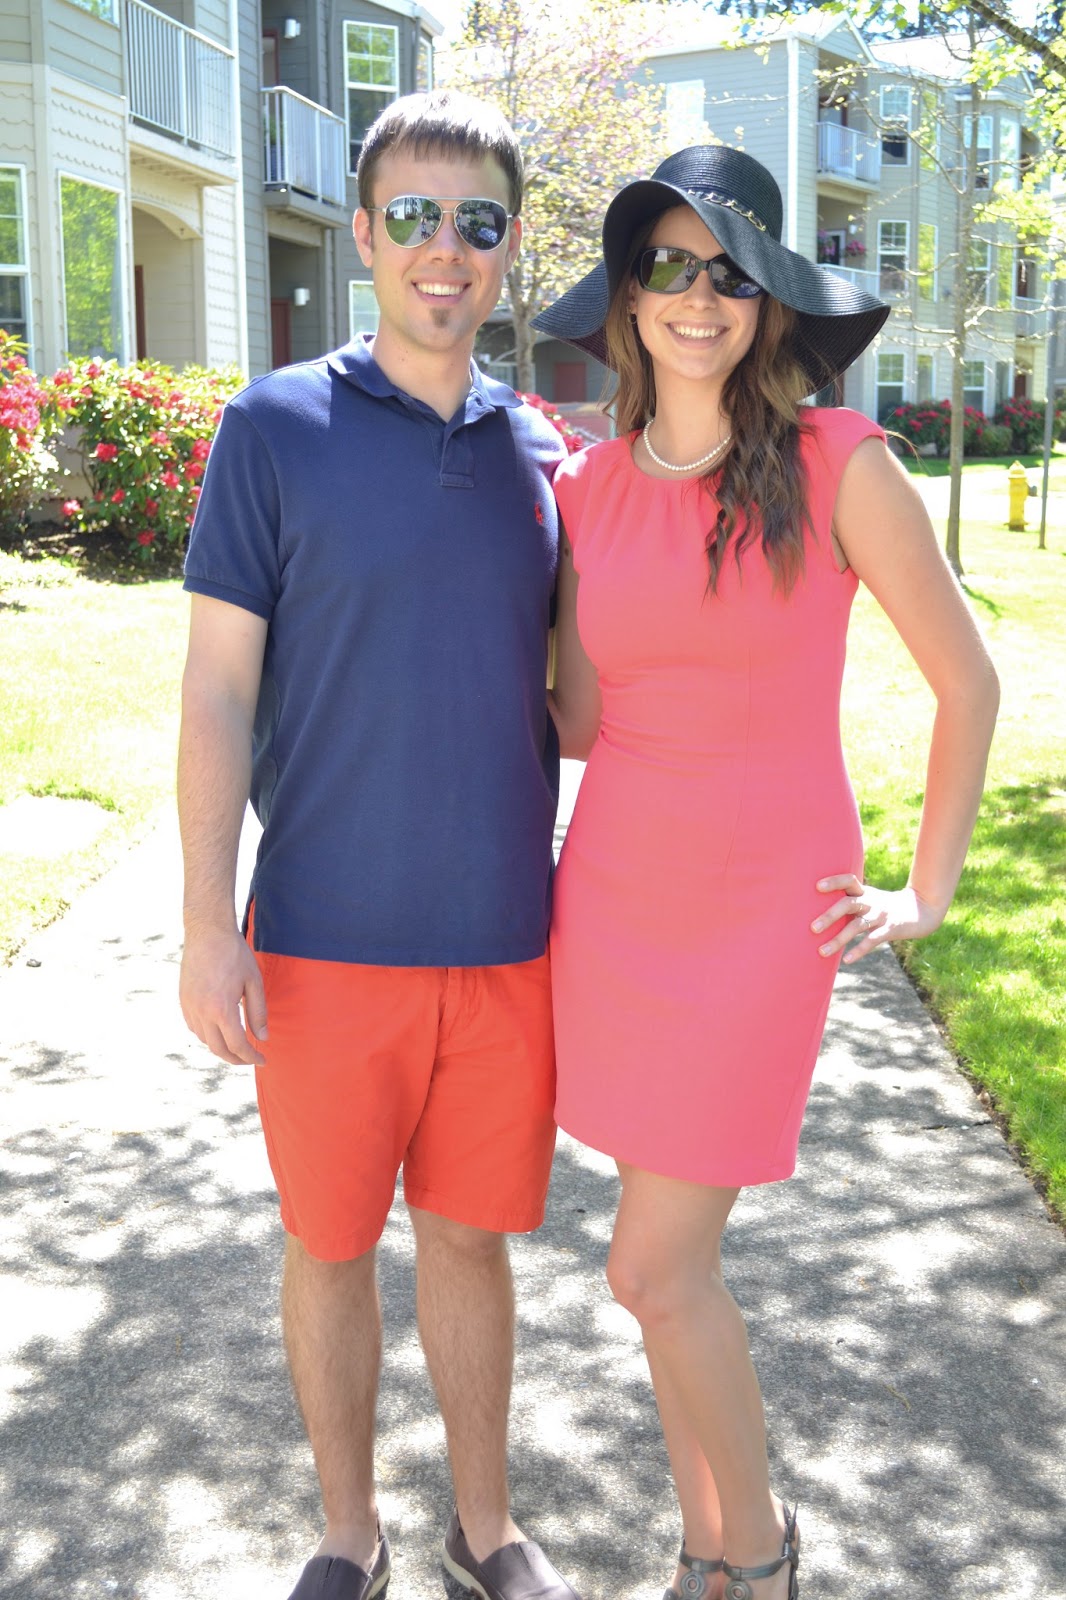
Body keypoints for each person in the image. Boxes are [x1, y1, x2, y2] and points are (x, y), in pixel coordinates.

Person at [534, 145, 999, 1600]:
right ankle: (709, 1552)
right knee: (667, 1280)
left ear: (770, 301)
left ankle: (763, 1550)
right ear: (626, 298)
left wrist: (926, 892)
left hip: (758, 914)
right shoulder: (587, 487)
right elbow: (578, 722)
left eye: (728, 271)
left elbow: (969, 682)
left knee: (649, 1270)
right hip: (612, 899)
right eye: (668, 265)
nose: (698, 295)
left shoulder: (839, 463)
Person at [178, 90, 583, 1600]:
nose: (443, 249)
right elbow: (217, 692)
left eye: (476, 222)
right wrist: (204, 923)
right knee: (331, 1246)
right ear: (361, 235)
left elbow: (588, 699)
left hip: (504, 942)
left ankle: (486, 1528)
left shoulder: (544, 452)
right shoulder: (272, 428)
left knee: (471, 1246)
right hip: (322, 941)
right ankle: (349, 1535)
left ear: (508, 246)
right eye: (412, 215)